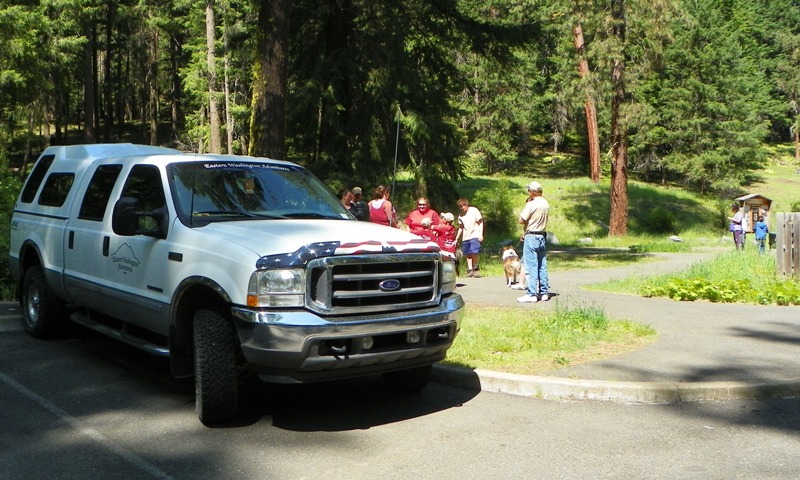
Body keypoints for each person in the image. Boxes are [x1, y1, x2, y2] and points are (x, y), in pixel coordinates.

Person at [517, 181, 550, 303]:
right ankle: (544, 292)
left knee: (530, 265)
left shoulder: (531, 204)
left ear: (532, 192)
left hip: (531, 236)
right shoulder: (546, 203)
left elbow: (521, 220)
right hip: (542, 235)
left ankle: (532, 293)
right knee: (542, 265)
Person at [455, 197, 484, 277]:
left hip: (475, 234)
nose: (462, 208)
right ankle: (470, 270)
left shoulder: (474, 210)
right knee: (468, 254)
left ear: (467, 205)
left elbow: (480, 222)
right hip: (466, 236)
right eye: (460, 206)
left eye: (463, 206)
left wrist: (481, 234)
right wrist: (456, 239)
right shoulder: (460, 216)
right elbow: (461, 227)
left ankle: (476, 268)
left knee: (473, 251)